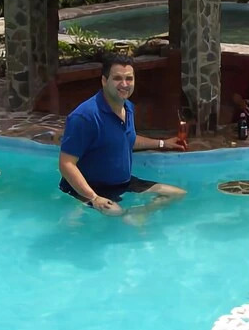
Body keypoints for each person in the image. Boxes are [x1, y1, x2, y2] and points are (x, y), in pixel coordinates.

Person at [58, 53, 187, 217]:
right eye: (117, 78)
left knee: (177, 194)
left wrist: (163, 143)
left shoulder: (128, 107)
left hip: (123, 183)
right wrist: (94, 197)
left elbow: (126, 140)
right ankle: (126, 217)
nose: (124, 84)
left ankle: (137, 214)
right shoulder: (85, 117)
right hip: (92, 187)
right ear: (104, 81)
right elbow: (66, 164)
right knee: (116, 214)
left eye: (129, 78)